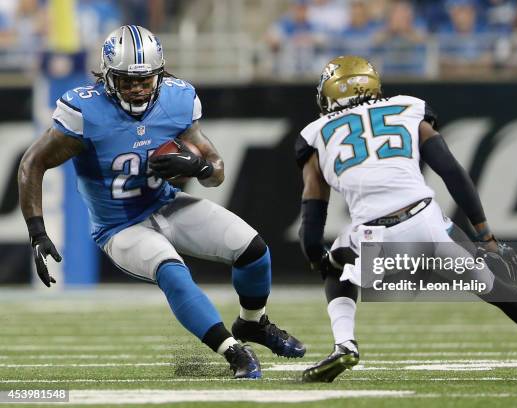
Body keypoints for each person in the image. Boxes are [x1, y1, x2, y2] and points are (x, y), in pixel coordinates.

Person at [295, 55, 517, 382]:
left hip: (375, 239)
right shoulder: (407, 109)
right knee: (497, 290)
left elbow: (312, 218)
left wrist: (318, 258)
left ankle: (345, 344)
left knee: (337, 267)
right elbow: (452, 172)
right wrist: (485, 235)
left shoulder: (315, 135)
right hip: (428, 225)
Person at [18, 25, 305, 379]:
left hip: (165, 203)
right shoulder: (84, 110)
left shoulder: (178, 99)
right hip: (119, 226)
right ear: (108, 77)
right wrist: (36, 230)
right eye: (127, 81)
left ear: (160, 74)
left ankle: (253, 324)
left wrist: (198, 165)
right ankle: (233, 351)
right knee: (172, 270)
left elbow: (216, 172)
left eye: (145, 80)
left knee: (253, 249)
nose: (137, 89)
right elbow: (33, 163)